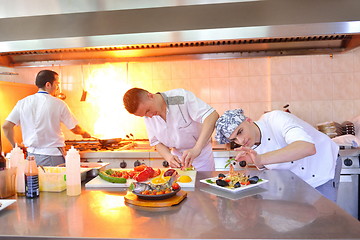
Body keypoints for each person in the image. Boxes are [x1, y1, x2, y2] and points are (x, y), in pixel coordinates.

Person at [215, 109, 341, 202]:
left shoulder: (276, 119)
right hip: (296, 178)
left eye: (240, 132)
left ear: (249, 120)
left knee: (325, 223)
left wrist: (261, 159)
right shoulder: (251, 143)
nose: (241, 141)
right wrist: (258, 163)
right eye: (235, 139)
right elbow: (273, 165)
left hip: (321, 165)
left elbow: (307, 147)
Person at [2, 70, 91, 166]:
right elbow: (74, 128)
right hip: (52, 157)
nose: (57, 88)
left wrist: (15, 145)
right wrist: (85, 133)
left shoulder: (23, 103)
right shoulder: (58, 103)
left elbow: (6, 126)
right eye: (57, 84)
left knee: (34, 181)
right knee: (55, 181)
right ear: (48, 84)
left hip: (31, 157)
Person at [123, 88, 219, 171]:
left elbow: (212, 116)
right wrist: (169, 157)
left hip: (200, 156)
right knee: (179, 191)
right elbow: (156, 142)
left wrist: (197, 149)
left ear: (150, 96)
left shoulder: (180, 98)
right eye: (144, 114)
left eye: (148, 110)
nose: (150, 116)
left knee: (202, 190)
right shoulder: (149, 116)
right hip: (177, 161)